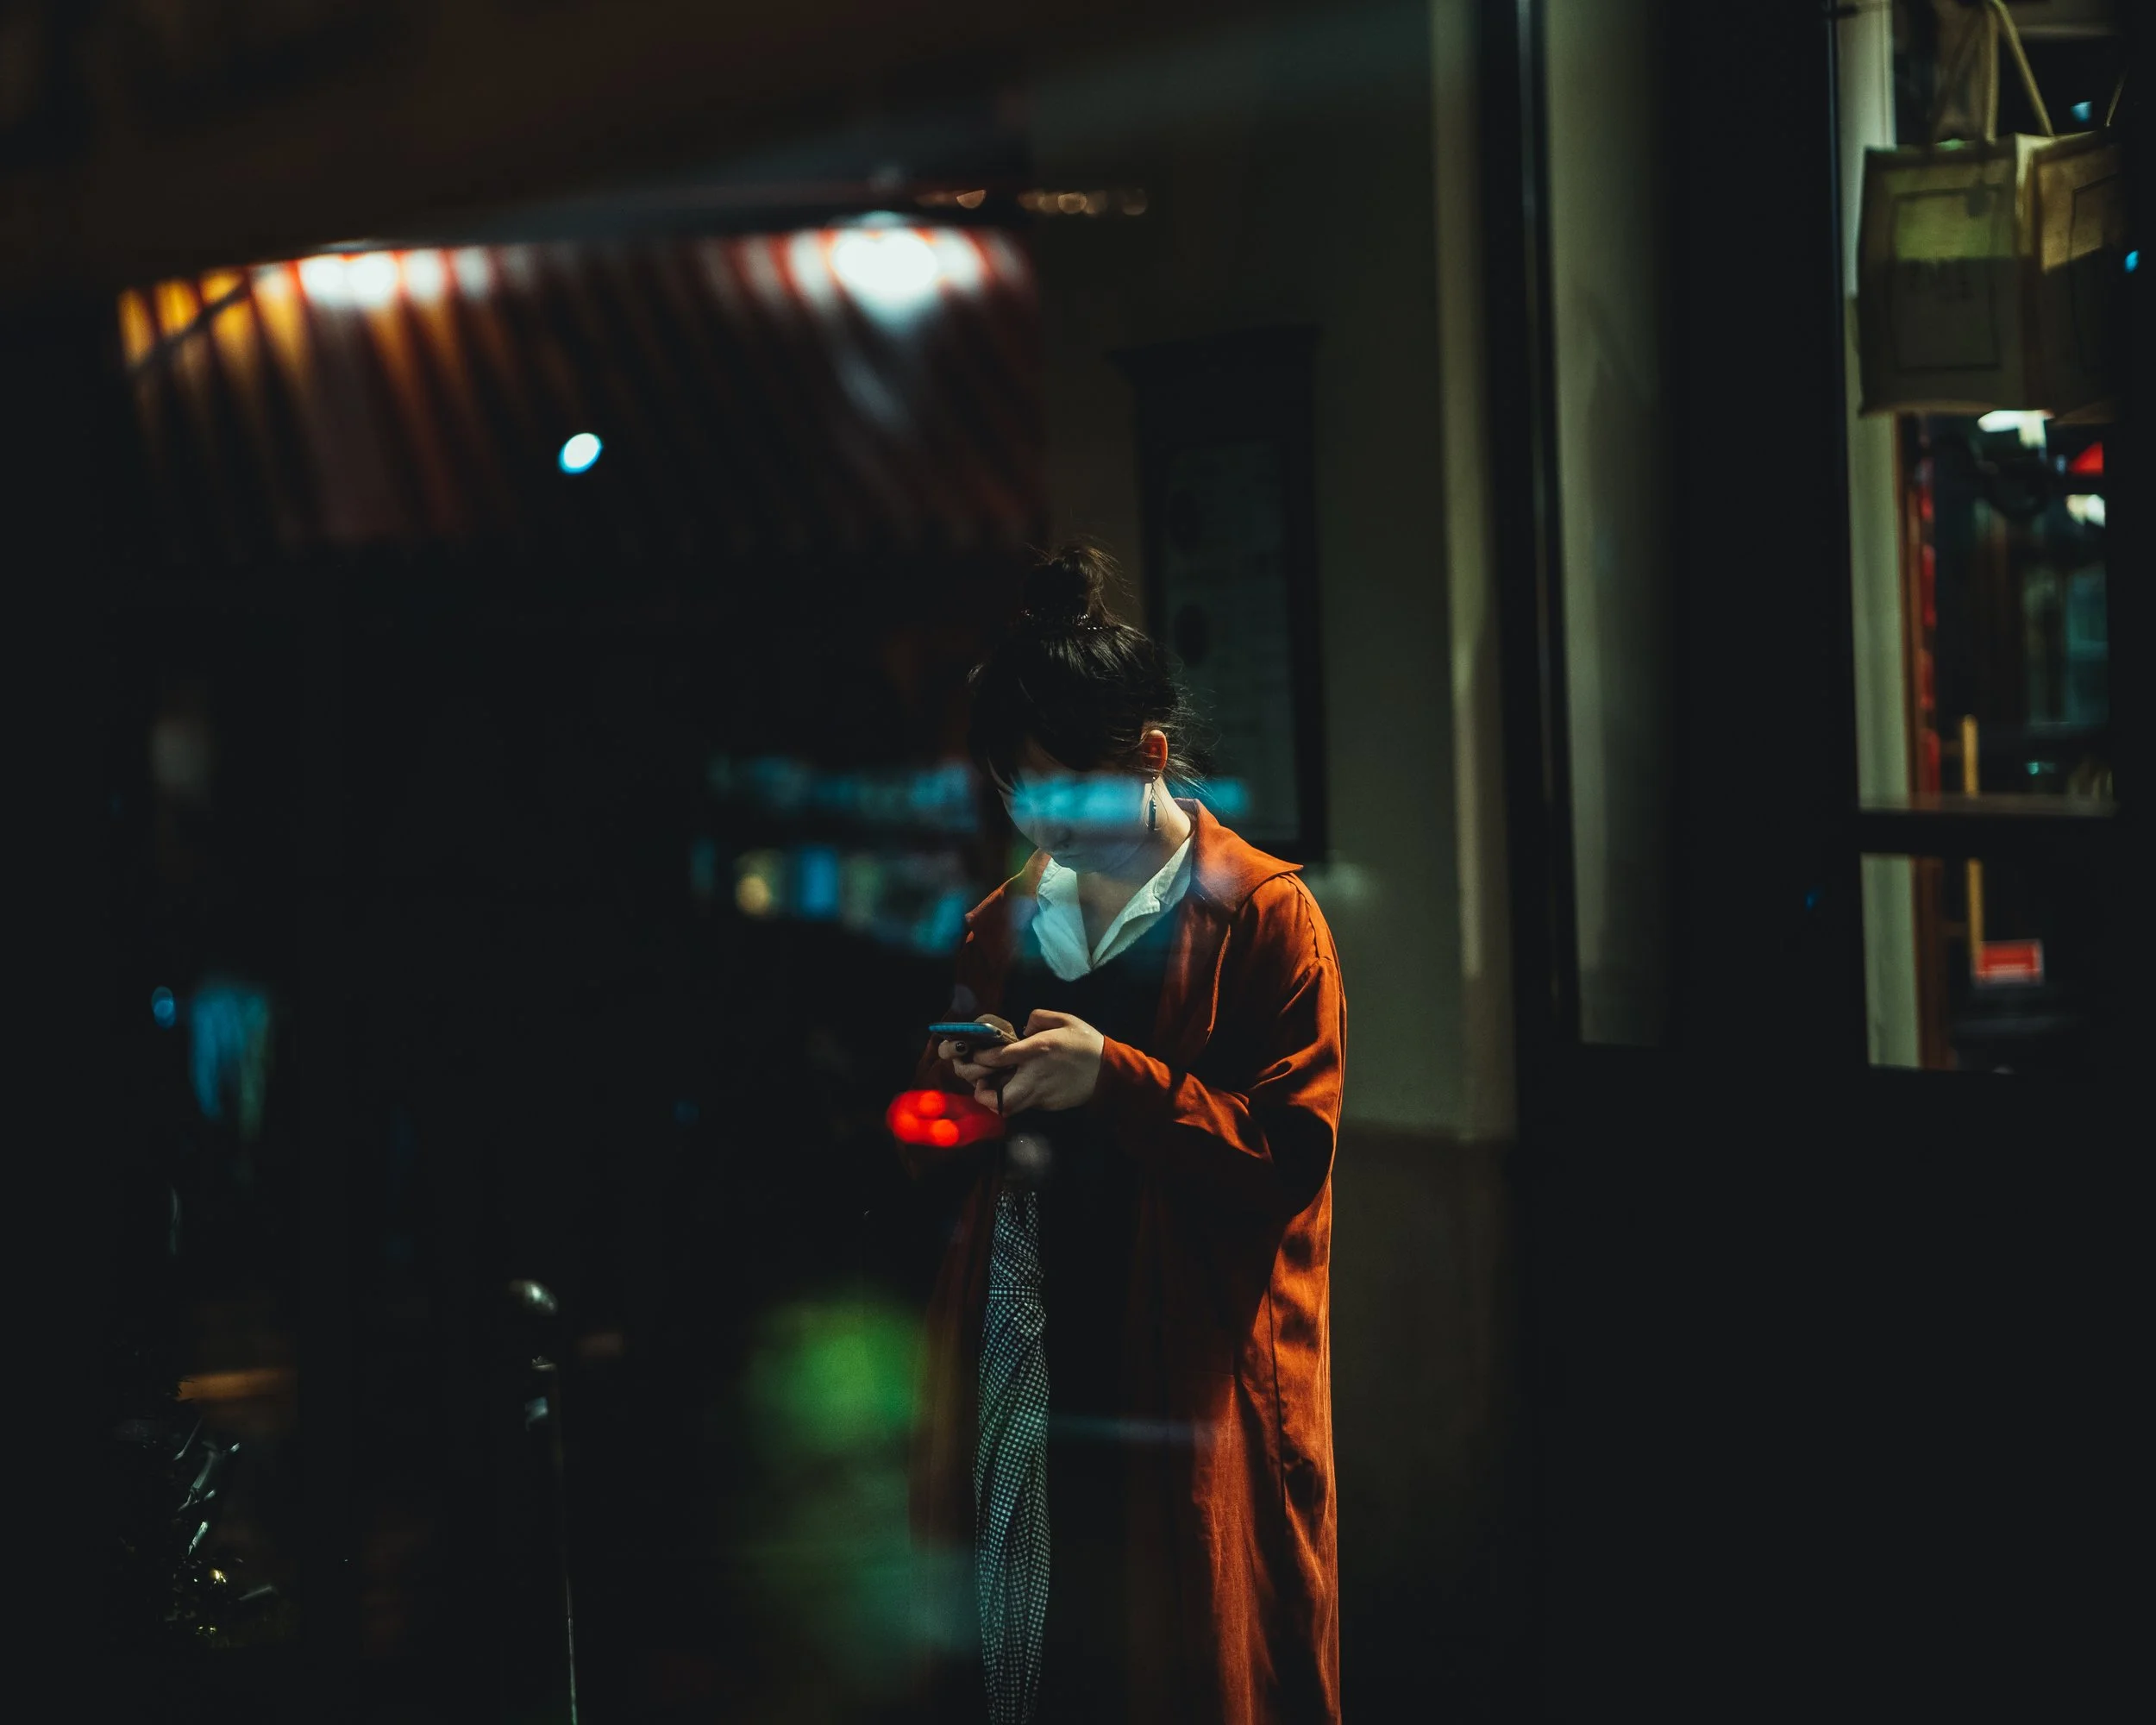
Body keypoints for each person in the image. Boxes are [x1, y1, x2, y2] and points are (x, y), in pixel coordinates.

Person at [899, 545, 1347, 1725]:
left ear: (1150, 754)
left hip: (1186, 1371)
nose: (1041, 819)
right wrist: (959, 1086)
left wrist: (1112, 1076)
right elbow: (942, 1149)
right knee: (1034, 1670)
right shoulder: (1004, 920)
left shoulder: (1261, 916)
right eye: (1017, 795)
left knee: (1188, 1665)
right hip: (1031, 1359)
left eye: (1063, 788)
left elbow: (1287, 1160)